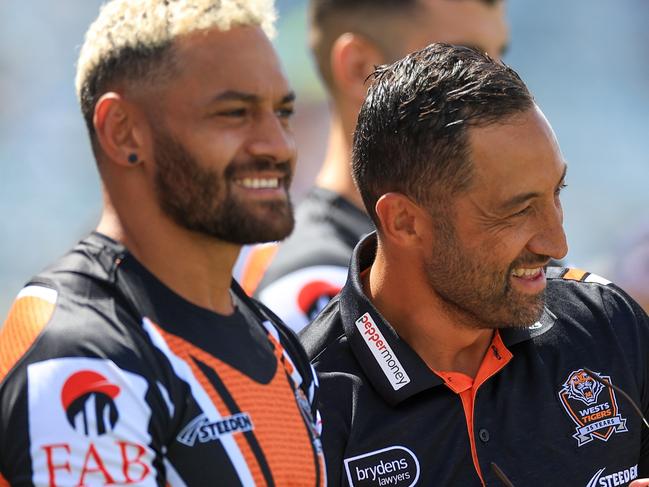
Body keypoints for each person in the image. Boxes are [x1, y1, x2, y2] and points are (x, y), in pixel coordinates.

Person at [0, 1, 326, 485]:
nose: (278, 144)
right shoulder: (82, 354)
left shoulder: (274, 338)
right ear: (122, 130)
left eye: (283, 112)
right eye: (235, 113)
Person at [300, 43, 649, 486]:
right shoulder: (305, 404)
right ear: (404, 221)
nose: (556, 241)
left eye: (556, 193)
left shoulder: (608, 324)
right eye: (517, 210)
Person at [240, 0, 510, 332]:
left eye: (500, 61)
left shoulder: (520, 247)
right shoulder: (318, 288)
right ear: (360, 68)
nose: (503, 91)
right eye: (464, 61)